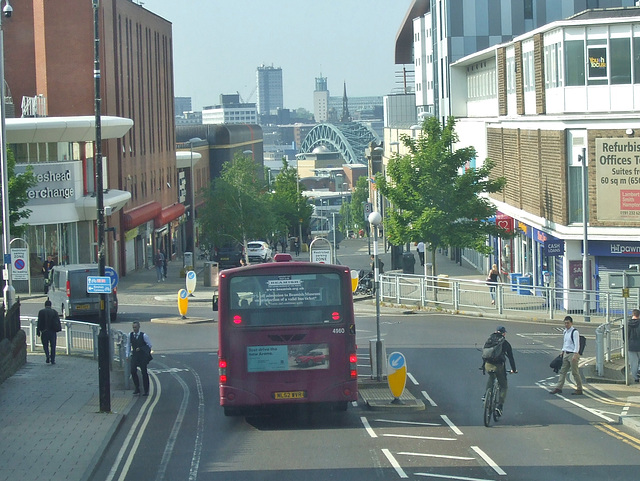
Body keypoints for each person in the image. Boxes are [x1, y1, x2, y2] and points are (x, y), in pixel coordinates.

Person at [482, 326, 517, 417]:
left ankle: (486, 395)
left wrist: (483, 366)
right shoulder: (505, 343)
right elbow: (511, 358)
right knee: (504, 386)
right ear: (504, 333)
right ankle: (499, 406)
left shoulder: (489, 339)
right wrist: (514, 369)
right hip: (499, 366)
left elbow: (485, 354)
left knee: (491, 377)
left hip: (488, 365)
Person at [550, 316, 583, 395]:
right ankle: (558, 388)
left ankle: (579, 388)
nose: (566, 324)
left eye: (568, 323)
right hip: (566, 353)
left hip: (572, 354)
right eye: (565, 323)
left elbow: (577, 344)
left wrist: (575, 354)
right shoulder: (565, 331)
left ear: (571, 323)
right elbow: (565, 342)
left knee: (575, 372)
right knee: (562, 372)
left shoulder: (575, 332)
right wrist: (562, 351)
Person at [127, 321, 152, 396]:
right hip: (134, 355)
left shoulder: (144, 335)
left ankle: (146, 390)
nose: (134, 329)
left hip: (142, 356)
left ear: (139, 327)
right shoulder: (130, 335)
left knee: (144, 372)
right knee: (133, 371)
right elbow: (128, 345)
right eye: (133, 327)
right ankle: (137, 388)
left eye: (136, 327)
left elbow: (150, 345)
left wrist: (141, 348)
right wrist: (127, 355)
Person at [36, 299, 62, 364]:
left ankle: (47, 356)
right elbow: (58, 322)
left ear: (45, 305)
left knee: (45, 345)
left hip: (44, 332)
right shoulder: (54, 312)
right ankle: (53, 360)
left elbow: (39, 322)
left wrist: (38, 331)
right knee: (53, 346)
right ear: (51, 305)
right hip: (53, 332)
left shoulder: (41, 312)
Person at [627, 309, 640, 383]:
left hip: (631, 346)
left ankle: (635, 378)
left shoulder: (627, 324)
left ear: (633, 315)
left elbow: (625, 336)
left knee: (633, 363)